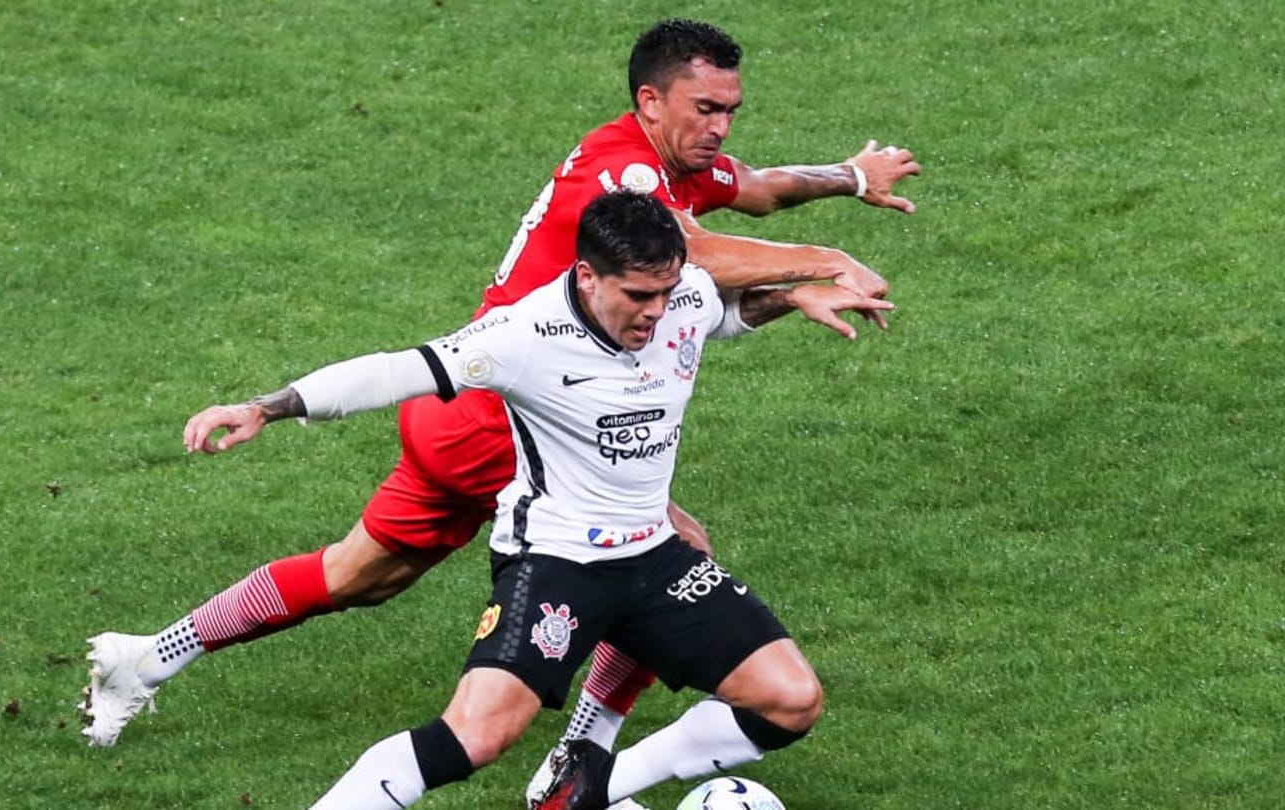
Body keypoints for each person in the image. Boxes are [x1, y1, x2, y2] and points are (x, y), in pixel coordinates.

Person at [81, 20, 920, 801]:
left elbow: (760, 193)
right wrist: (828, 261)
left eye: (731, 111)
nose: (722, 128)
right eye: (707, 109)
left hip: (469, 410)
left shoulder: (666, 162)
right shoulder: (621, 177)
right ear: (650, 101)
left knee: (358, 575)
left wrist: (850, 179)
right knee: (661, 545)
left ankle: (148, 657)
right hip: (513, 411)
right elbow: (695, 257)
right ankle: (580, 765)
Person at [181, 192, 893, 808]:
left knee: (791, 700)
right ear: (587, 276)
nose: (656, 314)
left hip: (655, 559)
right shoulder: (524, 335)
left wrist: (794, 296)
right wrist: (265, 408)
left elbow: (720, 313)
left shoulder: (681, 298)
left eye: (667, 292)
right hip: (557, 562)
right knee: (477, 735)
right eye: (638, 297)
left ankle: (586, 788)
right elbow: (395, 371)